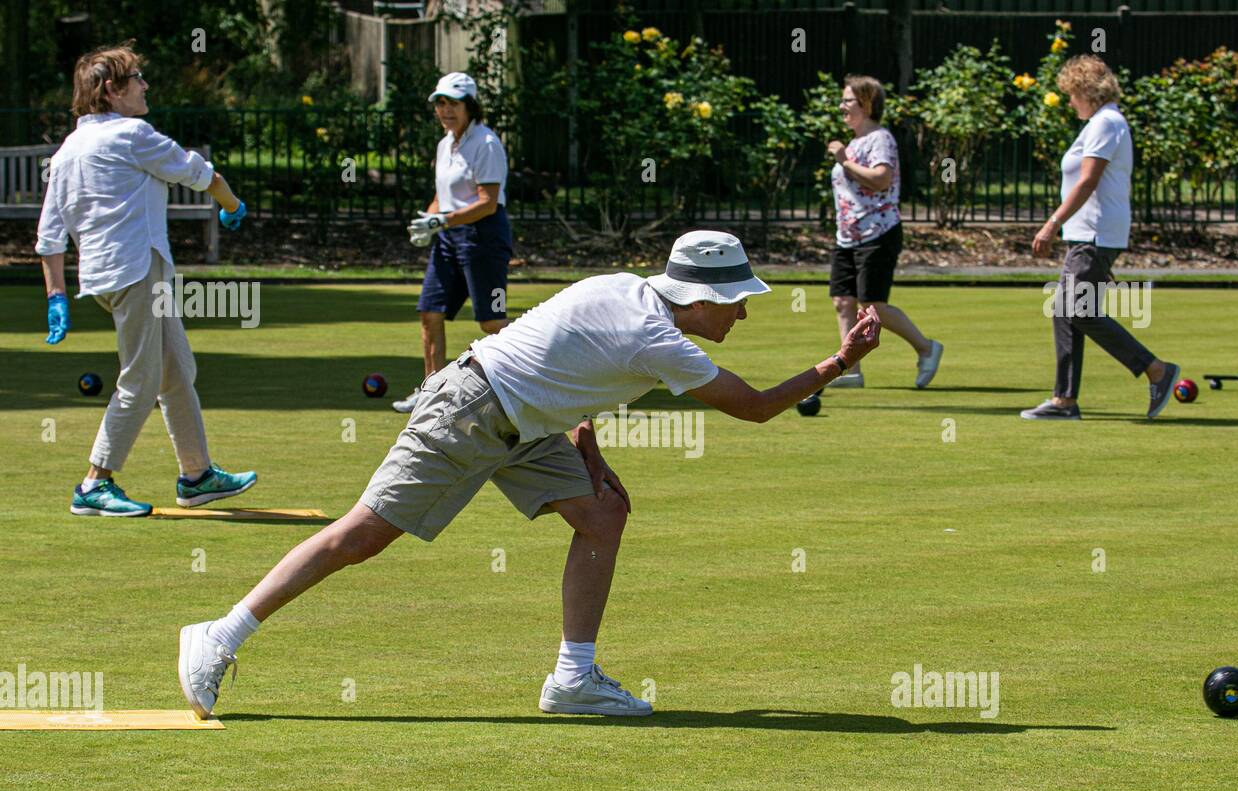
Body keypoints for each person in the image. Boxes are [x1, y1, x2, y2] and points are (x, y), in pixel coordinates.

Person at [178, 231, 883, 719]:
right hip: (472, 409)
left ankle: (574, 678)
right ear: (699, 296)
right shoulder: (661, 340)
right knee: (362, 536)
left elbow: (570, 362)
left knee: (603, 512)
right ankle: (220, 633)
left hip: (524, 418)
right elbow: (756, 408)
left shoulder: (625, 290)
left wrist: (590, 450)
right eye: (736, 299)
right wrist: (839, 362)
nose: (745, 310)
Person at [36, 43, 257, 516]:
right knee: (141, 379)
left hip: (108, 276)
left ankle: (197, 476)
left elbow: (49, 235)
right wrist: (233, 204)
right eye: (136, 77)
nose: (145, 85)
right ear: (111, 91)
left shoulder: (67, 149)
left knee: (176, 372)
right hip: (138, 270)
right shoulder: (132, 134)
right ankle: (95, 483)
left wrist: (56, 295)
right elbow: (199, 172)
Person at [1022, 55, 1180, 420]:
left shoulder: (1106, 122)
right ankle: (1064, 400)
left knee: (1078, 309)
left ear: (1086, 91)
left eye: (1072, 94)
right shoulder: (1101, 122)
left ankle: (1156, 369)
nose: (1069, 101)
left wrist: (1051, 224)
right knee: (1065, 310)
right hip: (1087, 233)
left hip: (1094, 233)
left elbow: (1088, 180)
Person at [392, 72, 514, 414]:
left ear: (470, 107)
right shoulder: (445, 143)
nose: (446, 110)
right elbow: (442, 195)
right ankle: (432, 392)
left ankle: (517, 385)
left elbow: (487, 201)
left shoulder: (486, 143)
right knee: (430, 312)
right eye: (440, 103)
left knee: (492, 322)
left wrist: (442, 219)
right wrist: (427, 222)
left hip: (484, 238)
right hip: (447, 238)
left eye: (453, 103)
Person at [827, 73, 942, 389]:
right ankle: (850, 369)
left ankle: (927, 348)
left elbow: (880, 179)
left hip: (878, 232)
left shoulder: (881, 139)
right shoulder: (855, 142)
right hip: (847, 236)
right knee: (842, 301)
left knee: (872, 305)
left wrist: (843, 161)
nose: (842, 107)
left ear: (866, 103)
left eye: (848, 100)